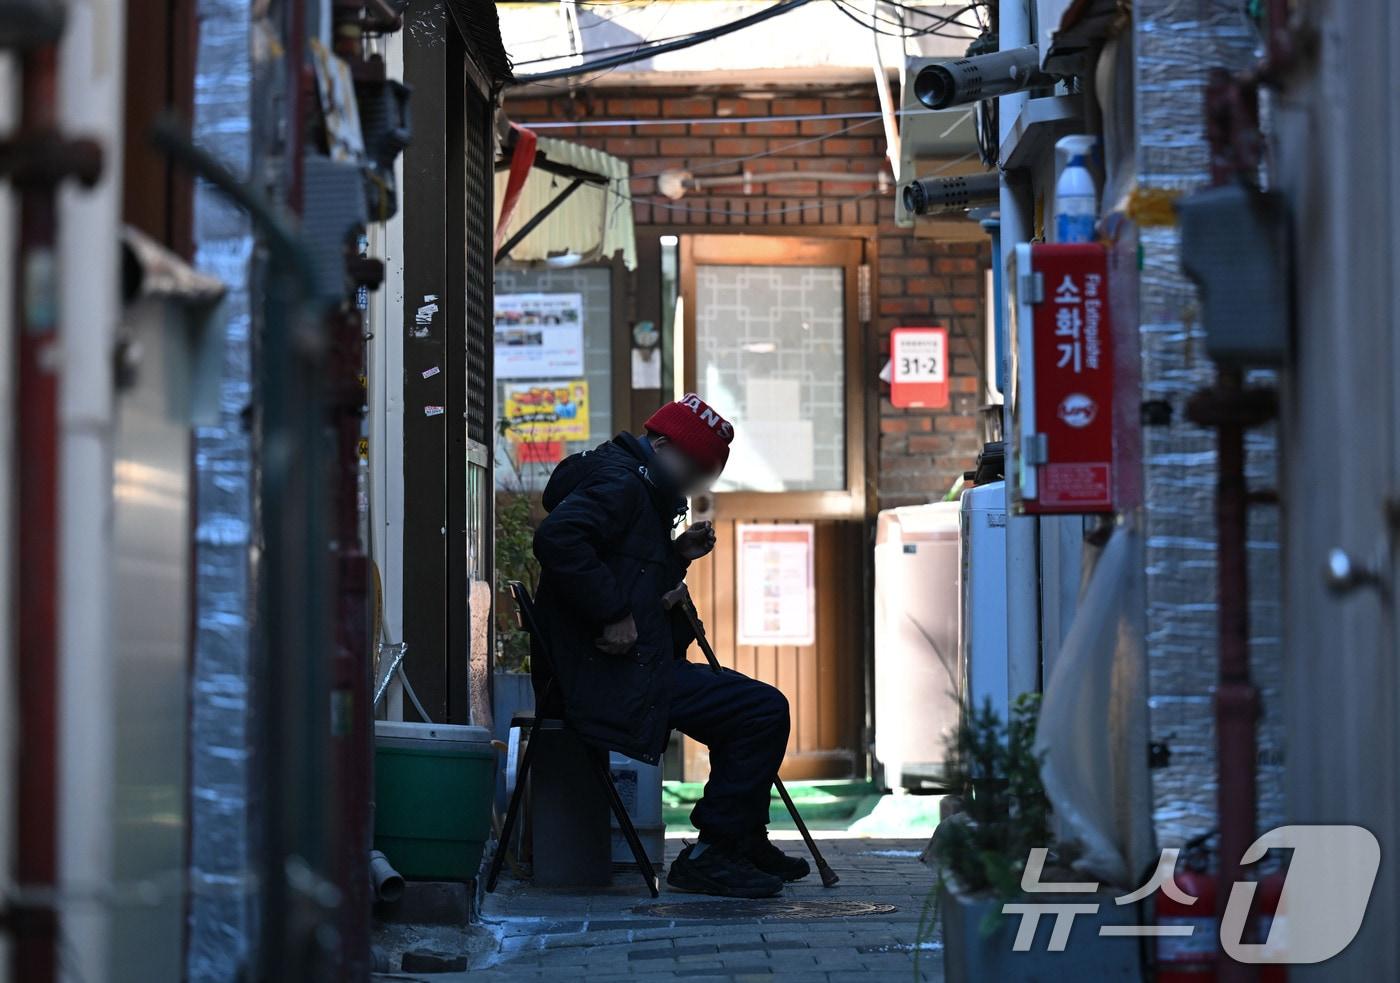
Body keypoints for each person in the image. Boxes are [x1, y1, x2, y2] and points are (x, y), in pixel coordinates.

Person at [531, 393, 808, 898]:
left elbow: (622, 567)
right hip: (605, 674)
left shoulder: (634, 484)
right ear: (662, 444)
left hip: (617, 666)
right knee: (760, 710)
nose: (695, 484)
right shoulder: (621, 484)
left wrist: (674, 558)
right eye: (696, 469)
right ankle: (718, 850)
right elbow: (559, 540)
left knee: (751, 706)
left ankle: (739, 839)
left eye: (707, 475)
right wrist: (612, 613)